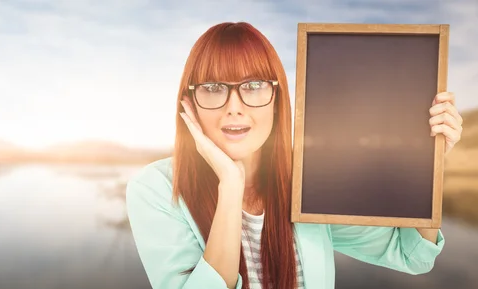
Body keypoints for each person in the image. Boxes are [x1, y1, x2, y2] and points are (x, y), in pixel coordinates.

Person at [125, 22, 464, 289]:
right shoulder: (156, 189)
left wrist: (426, 162)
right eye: (213, 89)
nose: (234, 108)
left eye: (253, 86)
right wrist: (230, 185)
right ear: (189, 102)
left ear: (278, 98)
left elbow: (412, 255)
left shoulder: (306, 184)